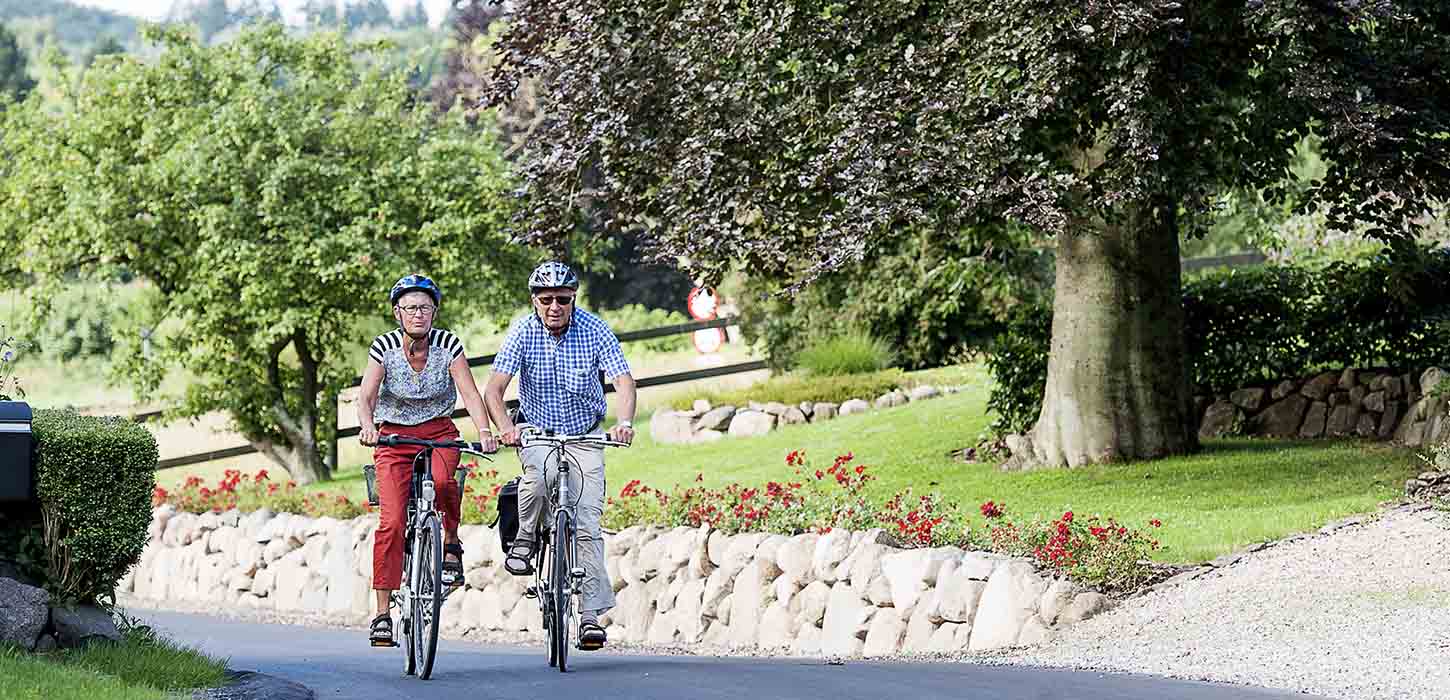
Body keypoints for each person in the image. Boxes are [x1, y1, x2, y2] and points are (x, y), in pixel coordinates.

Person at [484, 261, 636, 650]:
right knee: (537, 480)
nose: (555, 306)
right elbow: (494, 390)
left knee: (586, 522)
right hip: (538, 432)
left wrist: (624, 422)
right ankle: (525, 537)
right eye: (547, 299)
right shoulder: (522, 330)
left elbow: (623, 380)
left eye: (563, 299)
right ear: (535, 301)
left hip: (586, 435)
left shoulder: (594, 328)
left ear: (573, 300)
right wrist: (506, 427)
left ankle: (589, 617)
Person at [357, 274, 498, 648]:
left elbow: (469, 393)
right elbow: (366, 397)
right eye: (410, 308)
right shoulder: (383, 347)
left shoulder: (448, 345)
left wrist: (484, 432)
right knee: (390, 522)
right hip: (394, 437)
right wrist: (368, 426)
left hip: (439, 432)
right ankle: (383, 614)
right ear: (397, 313)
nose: (418, 314)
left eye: (424, 307)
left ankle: (450, 543)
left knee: (444, 483)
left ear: (434, 310)